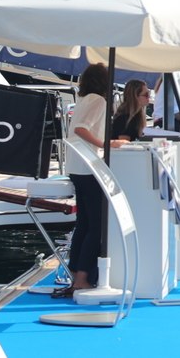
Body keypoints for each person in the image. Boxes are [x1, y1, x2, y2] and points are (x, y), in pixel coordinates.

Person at [59, 63, 126, 297]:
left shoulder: (85, 99)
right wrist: (109, 144)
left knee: (85, 223)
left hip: (77, 166)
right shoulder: (99, 101)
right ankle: (82, 278)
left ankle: (76, 272)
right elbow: (81, 129)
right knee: (96, 225)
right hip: (89, 167)